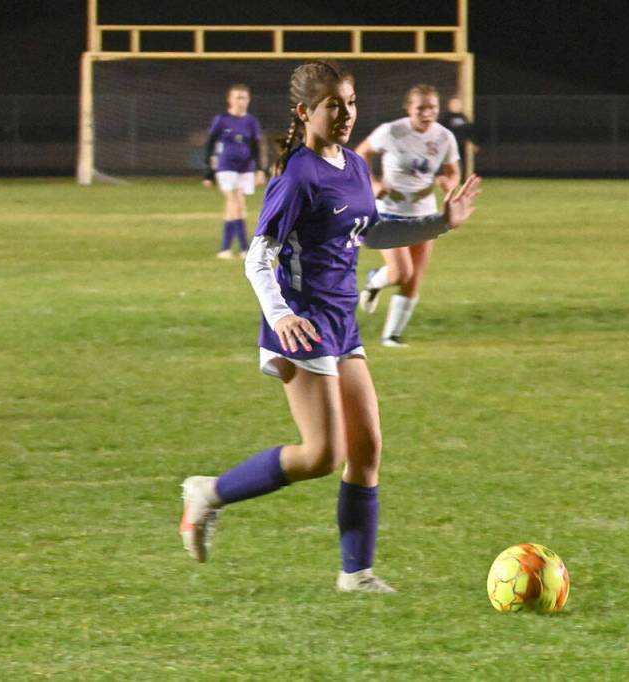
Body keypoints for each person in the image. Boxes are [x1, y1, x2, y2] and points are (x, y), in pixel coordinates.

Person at [179, 61, 482, 594]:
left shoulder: (354, 166)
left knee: (367, 449)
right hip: (302, 323)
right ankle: (208, 493)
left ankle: (356, 574)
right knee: (322, 456)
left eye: (350, 102)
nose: (345, 114)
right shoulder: (297, 174)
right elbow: (258, 257)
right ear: (305, 112)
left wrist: (439, 224)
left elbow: (370, 232)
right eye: (333, 105)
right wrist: (282, 315)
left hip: (343, 321)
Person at [354, 84, 461, 347]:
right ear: (409, 108)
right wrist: (373, 183)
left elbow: (453, 171)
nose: (427, 114)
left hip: (425, 214)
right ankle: (373, 281)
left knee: (414, 278)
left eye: (432, 108)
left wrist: (450, 182)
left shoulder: (444, 136)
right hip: (390, 211)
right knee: (401, 272)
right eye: (420, 108)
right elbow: (361, 153)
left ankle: (391, 336)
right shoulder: (392, 131)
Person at [203, 84, 267, 259]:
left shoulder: (251, 122)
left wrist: (260, 169)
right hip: (226, 167)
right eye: (238, 97)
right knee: (236, 201)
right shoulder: (222, 120)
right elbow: (210, 145)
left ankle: (226, 249)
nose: (241, 101)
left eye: (244, 97)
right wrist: (209, 171)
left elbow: (256, 147)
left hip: (246, 169)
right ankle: (245, 248)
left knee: (234, 206)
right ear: (230, 100)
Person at [439, 95, 480, 177]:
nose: (455, 106)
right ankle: (448, 177)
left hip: (461, 144)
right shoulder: (446, 118)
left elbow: (469, 131)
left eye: (457, 104)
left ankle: (462, 179)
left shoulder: (463, 117)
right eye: (453, 104)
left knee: (462, 162)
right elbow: (441, 131)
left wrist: (473, 143)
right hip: (449, 145)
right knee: (449, 162)